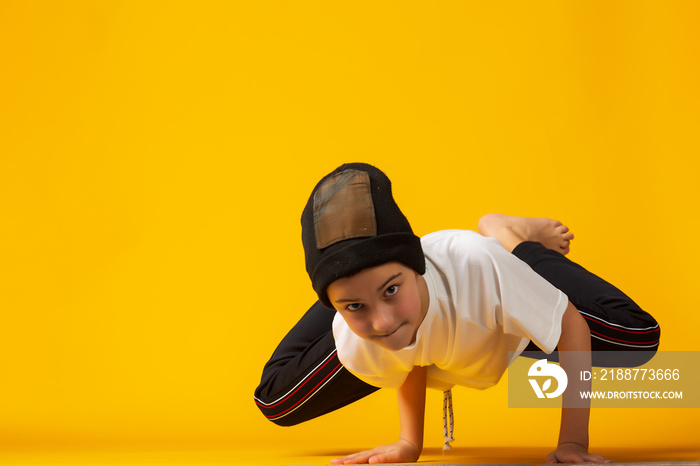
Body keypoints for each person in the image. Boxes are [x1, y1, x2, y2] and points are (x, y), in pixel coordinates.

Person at [254, 163, 660, 464]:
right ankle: (360, 283)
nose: (381, 322)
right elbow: (407, 352)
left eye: (391, 289)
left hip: (495, 303)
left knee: (638, 339)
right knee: (277, 403)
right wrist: (409, 444)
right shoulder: (357, 335)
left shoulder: (481, 268)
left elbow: (570, 325)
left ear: (417, 271)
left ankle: (512, 238)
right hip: (420, 308)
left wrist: (573, 443)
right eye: (353, 306)